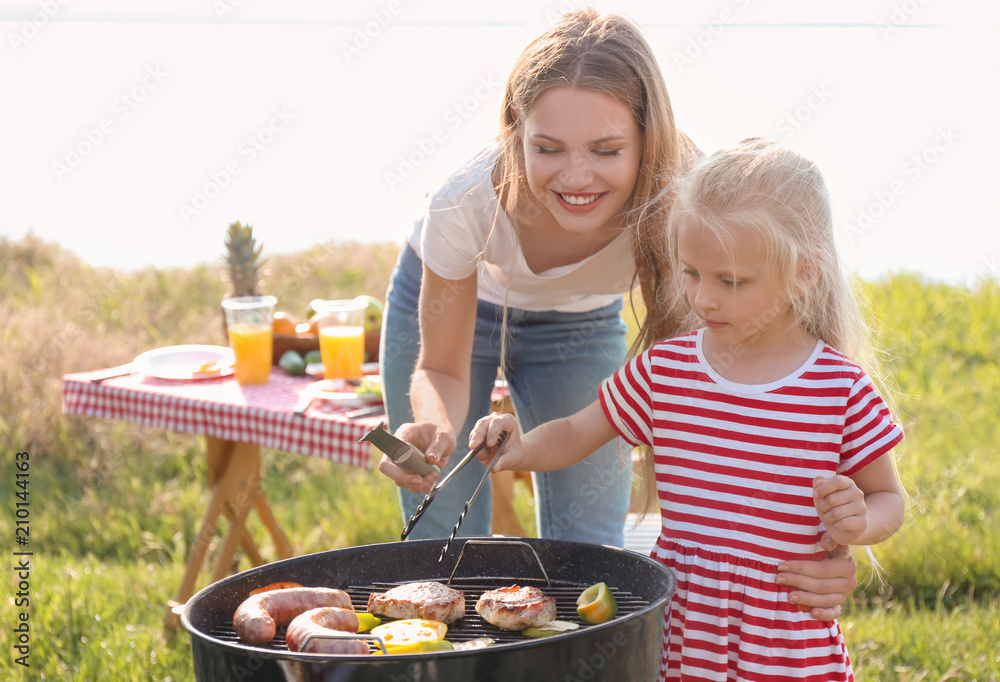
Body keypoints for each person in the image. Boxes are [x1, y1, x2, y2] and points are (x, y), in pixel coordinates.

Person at [379, 8, 860, 618]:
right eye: (547, 148)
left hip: (579, 324)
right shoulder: (464, 203)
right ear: (513, 132)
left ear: (646, 138)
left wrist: (831, 546)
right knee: (436, 540)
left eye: (606, 150)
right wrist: (431, 423)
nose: (576, 176)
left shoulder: (684, 198)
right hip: (460, 310)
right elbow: (441, 370)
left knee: (588, 553)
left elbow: (743, 405)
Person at [470, 138, 906, 680]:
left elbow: (889, 498)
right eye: (692, 272)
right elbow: (580, 432)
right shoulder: (666, 370)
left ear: (804, 273)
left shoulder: (838, 389)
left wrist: (861, 522)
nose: (703, 299)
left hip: (786, 643)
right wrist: (520, 448)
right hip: (682, 632)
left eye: (731, 281)